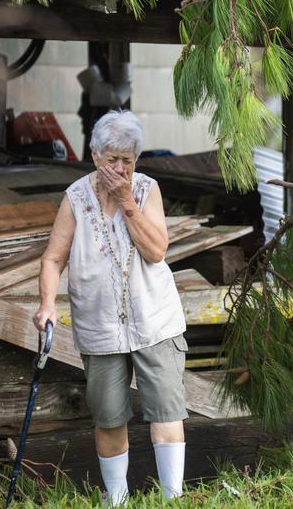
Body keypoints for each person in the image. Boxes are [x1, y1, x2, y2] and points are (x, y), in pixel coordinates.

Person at [33, 110, 189, 506]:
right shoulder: (76, 197)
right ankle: (115, 498)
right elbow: (53, 259)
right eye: (112, 159)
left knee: (166, 410)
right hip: (99, 324)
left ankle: (173, 498)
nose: (120, 168)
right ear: (94, 155)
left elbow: (156, 250)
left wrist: (126, 201)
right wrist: (47, 304)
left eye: (128, 160)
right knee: (108, 415)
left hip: (154, 320)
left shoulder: (146, 189)